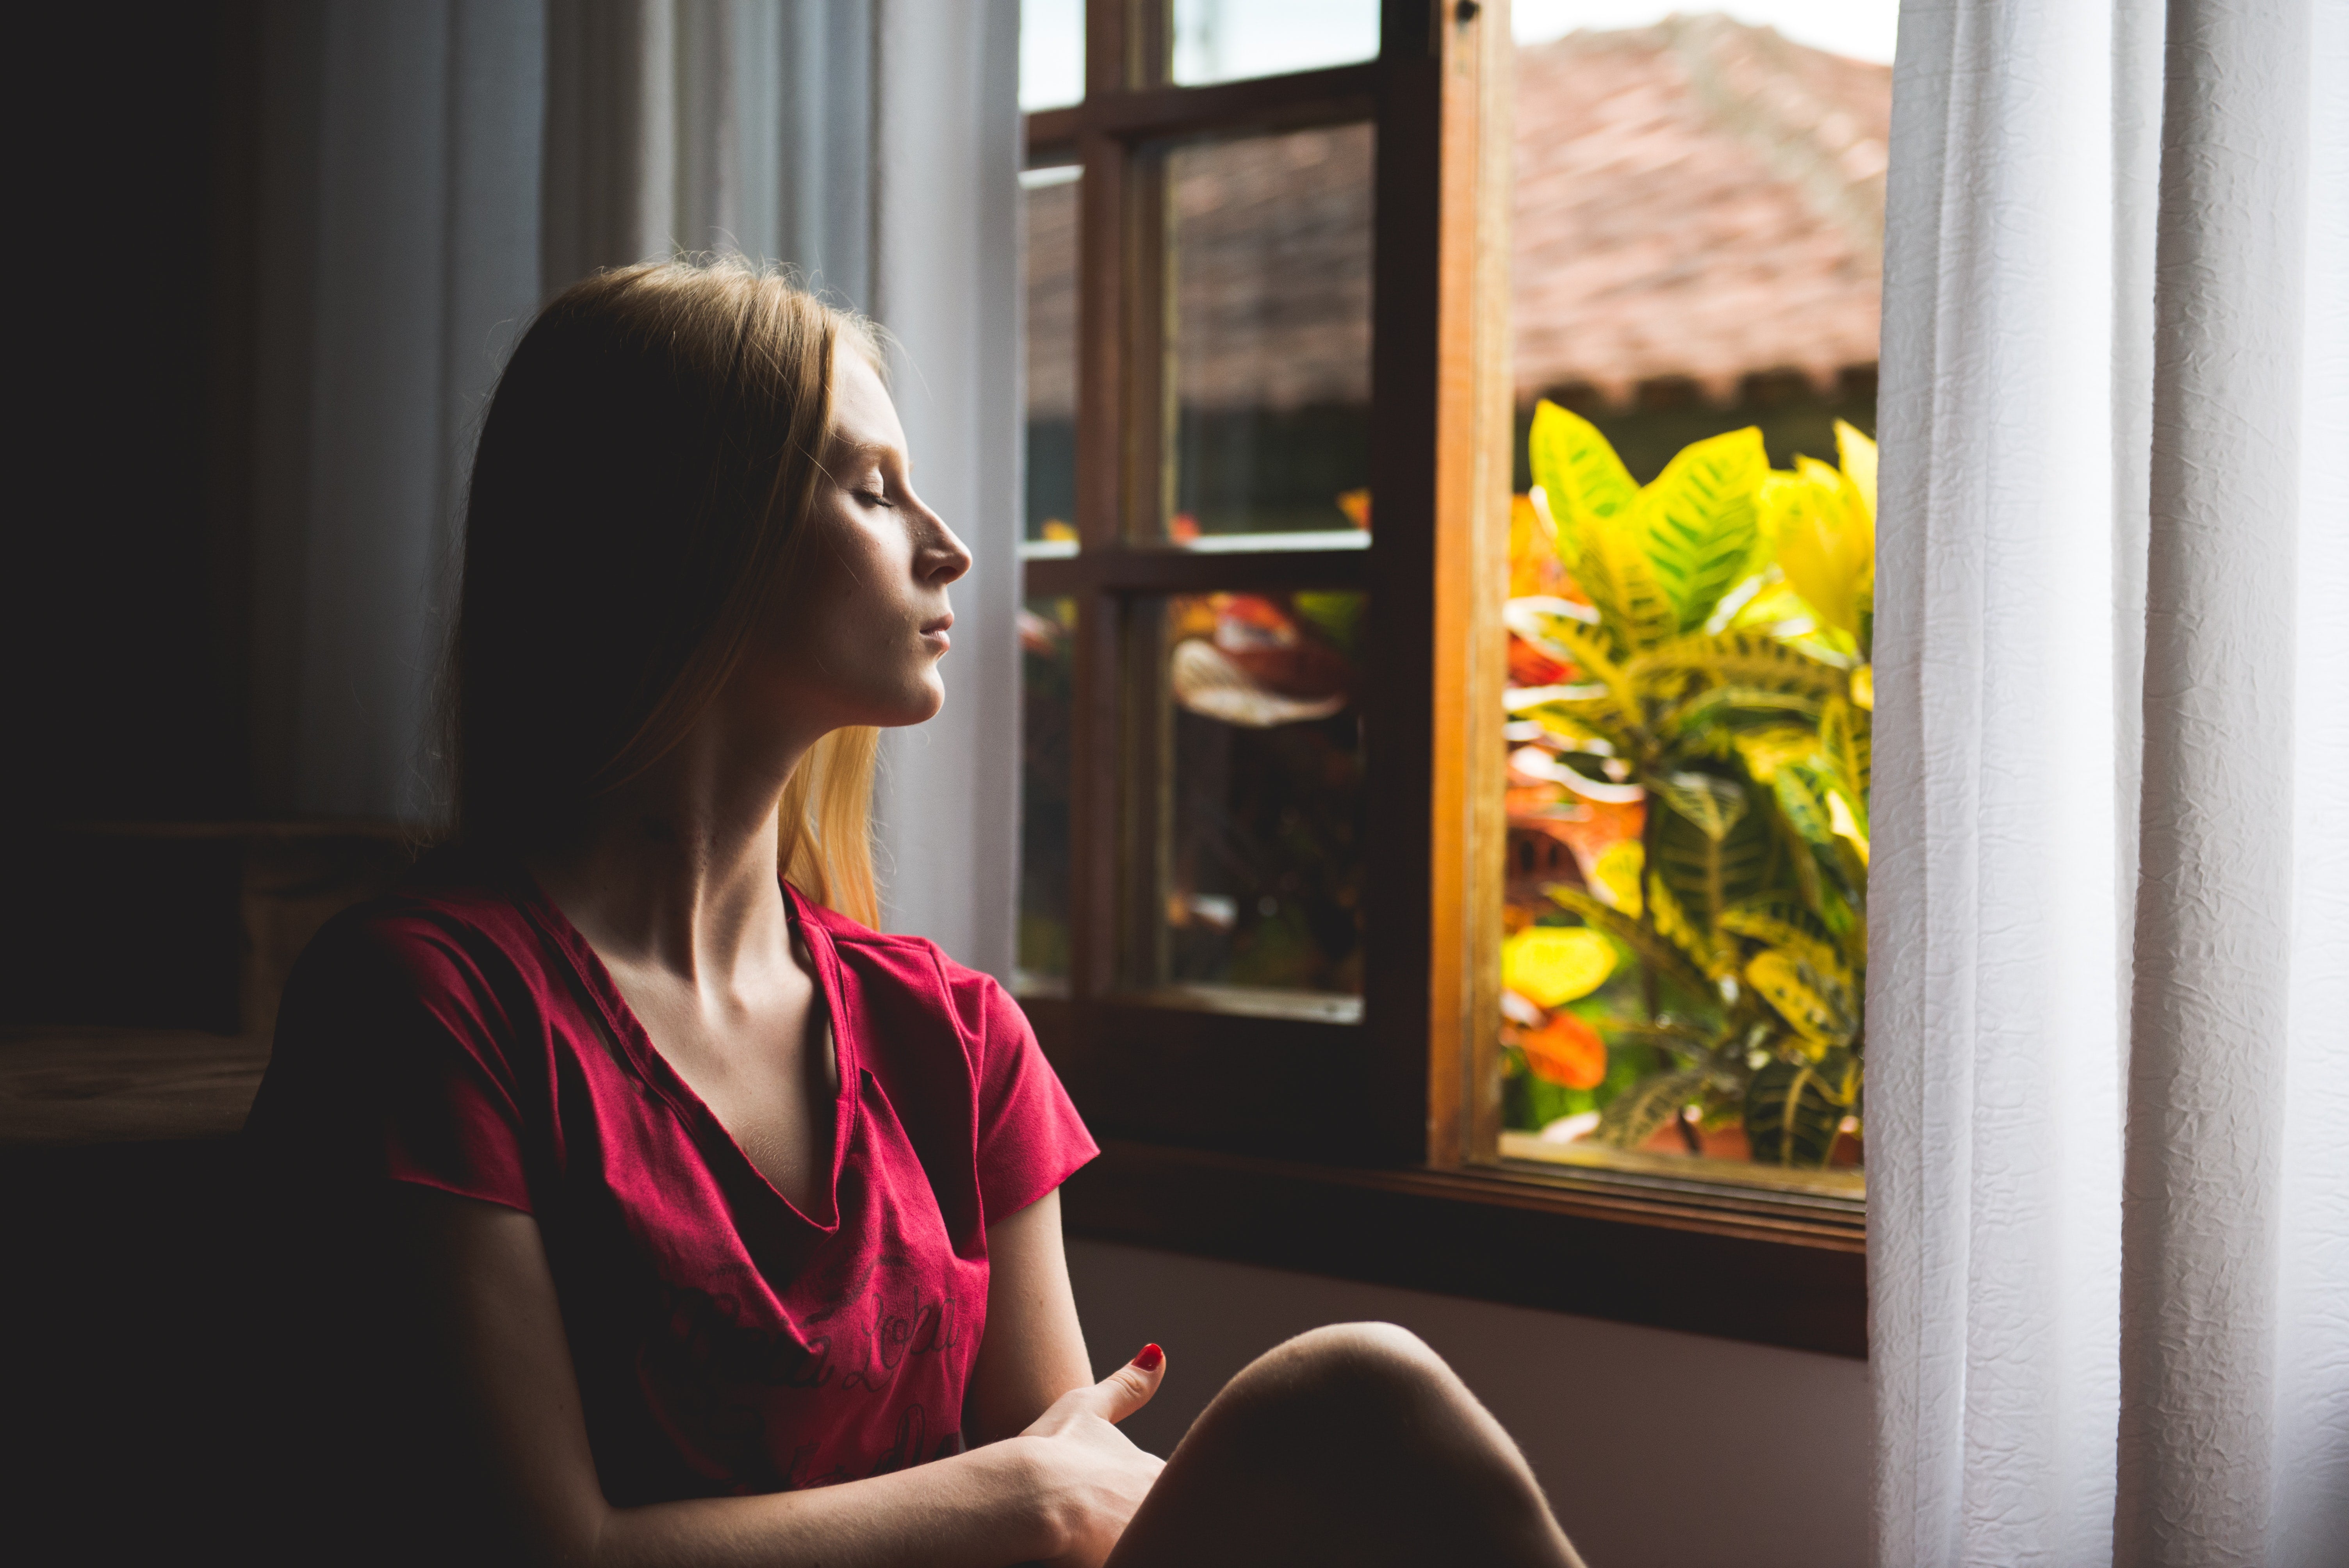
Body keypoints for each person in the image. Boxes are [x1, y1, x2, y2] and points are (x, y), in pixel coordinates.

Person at [246, 258, 1587, 1568]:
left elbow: (1081, 1510)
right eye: (874, 491)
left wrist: (1042, 1503)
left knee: (1362, 1395)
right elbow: (541, 1548)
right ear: (686, 531)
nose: (947, 548)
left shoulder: (947, 1032)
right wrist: (1014, 1501)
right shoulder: (428, 1008)